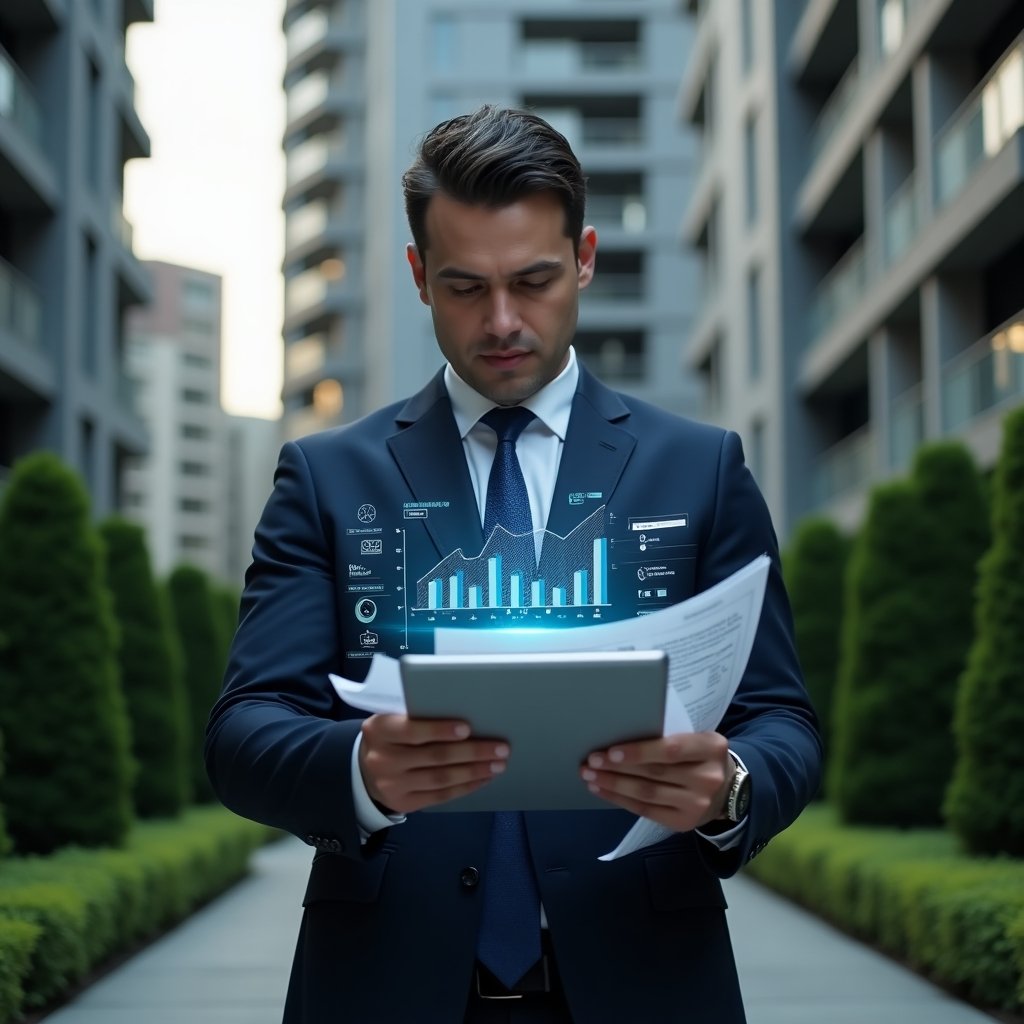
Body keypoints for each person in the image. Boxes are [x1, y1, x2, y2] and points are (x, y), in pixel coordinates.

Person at [206, 105, 821, 1024]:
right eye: (464, 287)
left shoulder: (701, 468)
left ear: (585, 258)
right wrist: (360, 772)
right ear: (418, 276)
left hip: (646, 979)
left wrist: (729, 785)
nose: (502, 322)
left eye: (533, 281)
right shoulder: (328, 478)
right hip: (385, 985)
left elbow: (784, 721)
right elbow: (244, 732)